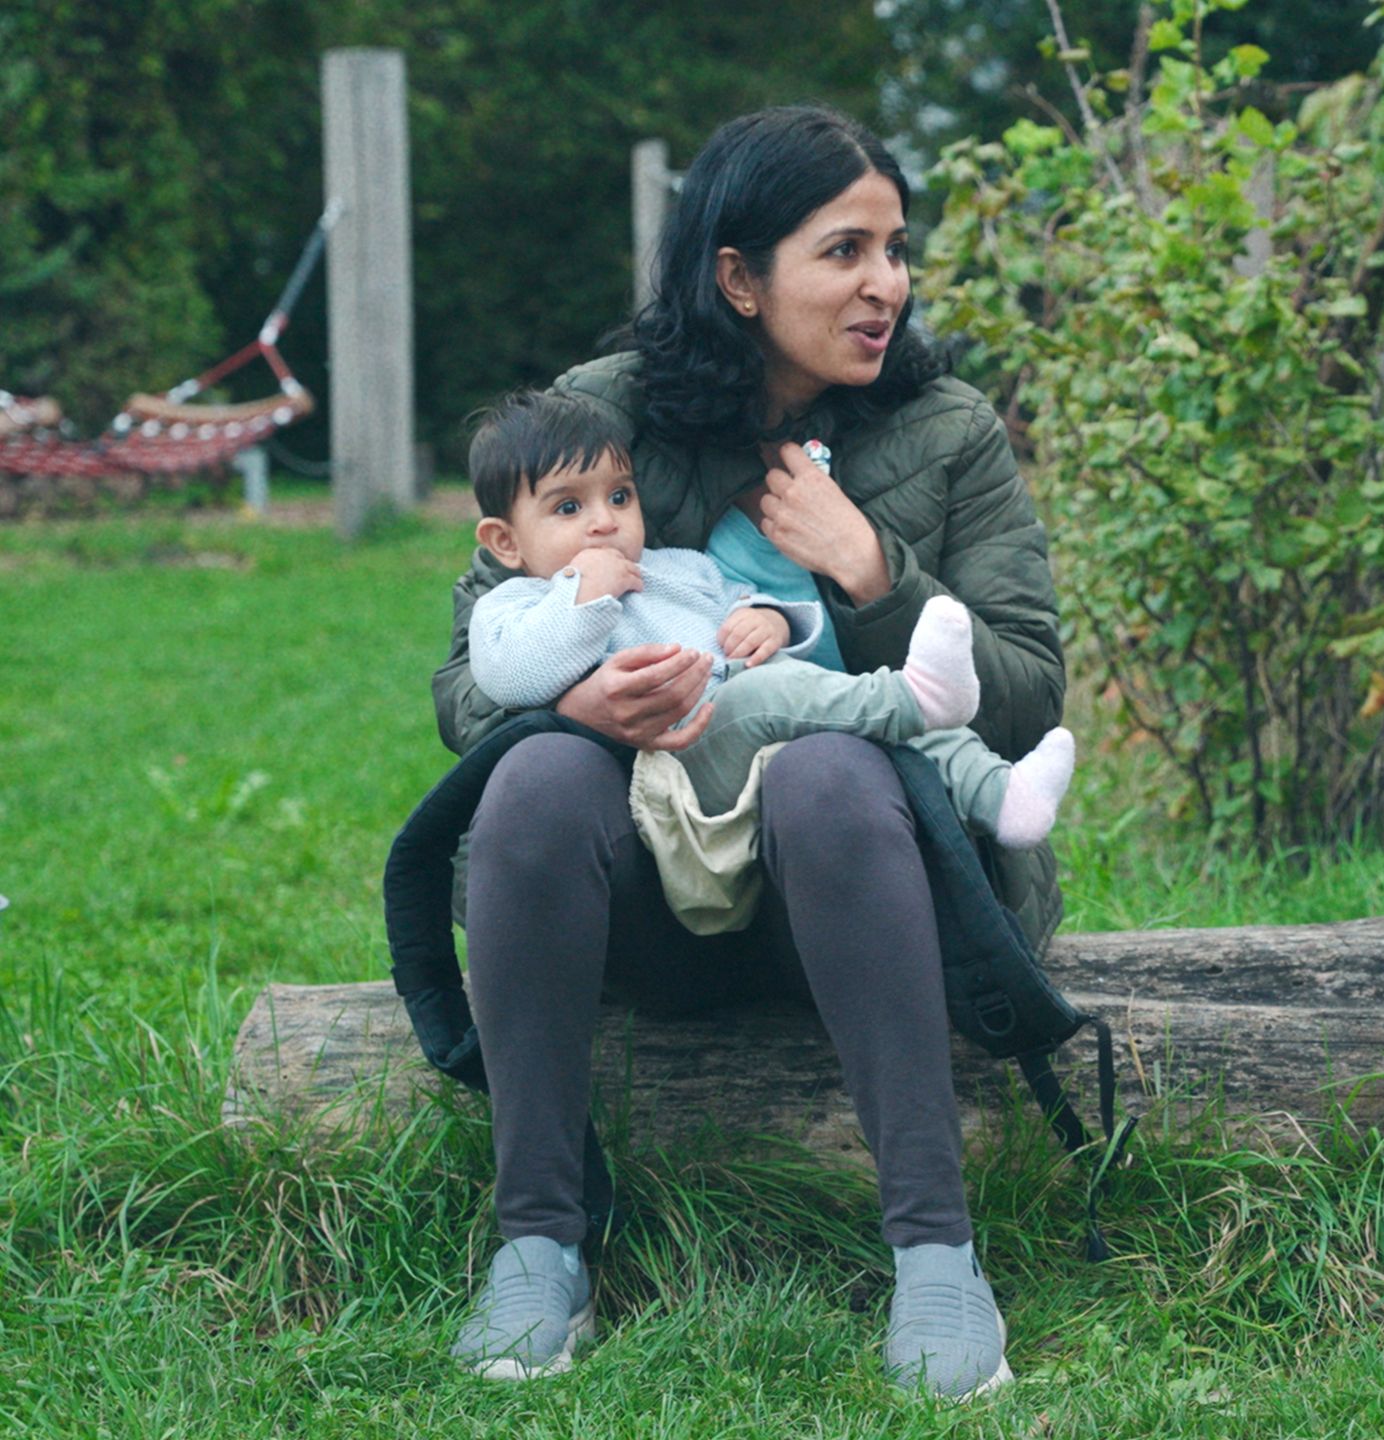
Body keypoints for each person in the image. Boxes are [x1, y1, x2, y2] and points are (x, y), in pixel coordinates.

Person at [429, 104, 1064, 1398]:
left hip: (875, 880)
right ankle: (539, 1246)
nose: (886, 282)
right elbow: (466, 679)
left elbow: (1027, 692)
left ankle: (939, 1258)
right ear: (736, 276)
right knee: (538, 771)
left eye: (896, 248)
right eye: (845, 251)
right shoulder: (600, 424)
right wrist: (581, 705)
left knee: (831, 770)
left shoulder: (946, 430)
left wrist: (876, 575)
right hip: (649, 890)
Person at [461, 390, 1077, 930]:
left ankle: (1000, 793)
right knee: (788, 695)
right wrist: (584, 594)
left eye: (620, 497)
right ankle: (917, 694)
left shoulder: (678, 569)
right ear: (505, 542)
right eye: (569, 508)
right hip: (674, 768)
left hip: (759, 757)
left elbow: (738, 602)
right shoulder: (516, 605)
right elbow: (513, 675)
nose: (604, 523)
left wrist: (772, 620)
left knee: (866, 718)